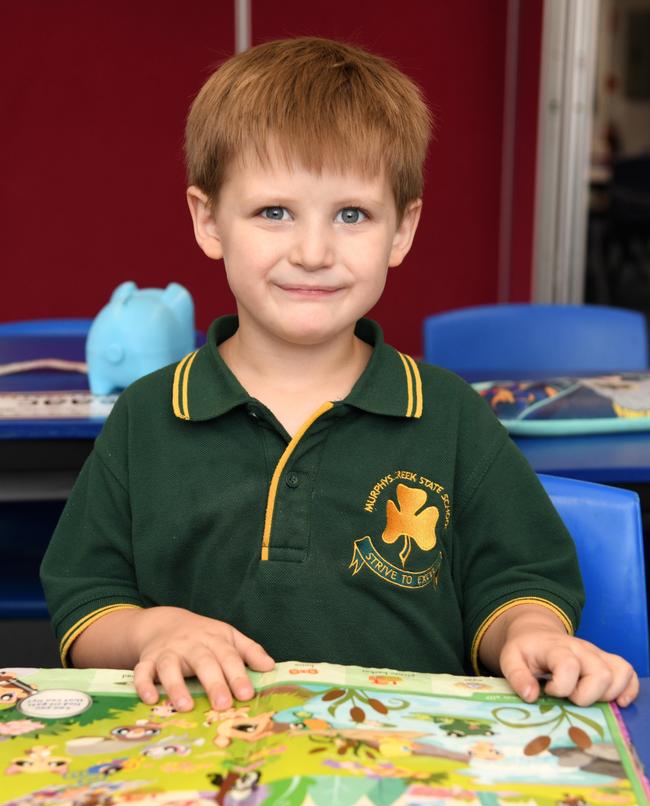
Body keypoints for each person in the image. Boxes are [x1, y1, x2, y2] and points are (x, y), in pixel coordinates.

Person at [41, 36, 638, 714]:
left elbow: (520, 577)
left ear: (402, 230)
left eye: (352, 215)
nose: (314, 251)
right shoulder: (147, 416)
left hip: (409, 771)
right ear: (209, 221)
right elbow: (85, 601)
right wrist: (151, 629)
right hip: (192, 775)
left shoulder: (449, 416)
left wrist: (532, 634)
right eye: (274, 212)